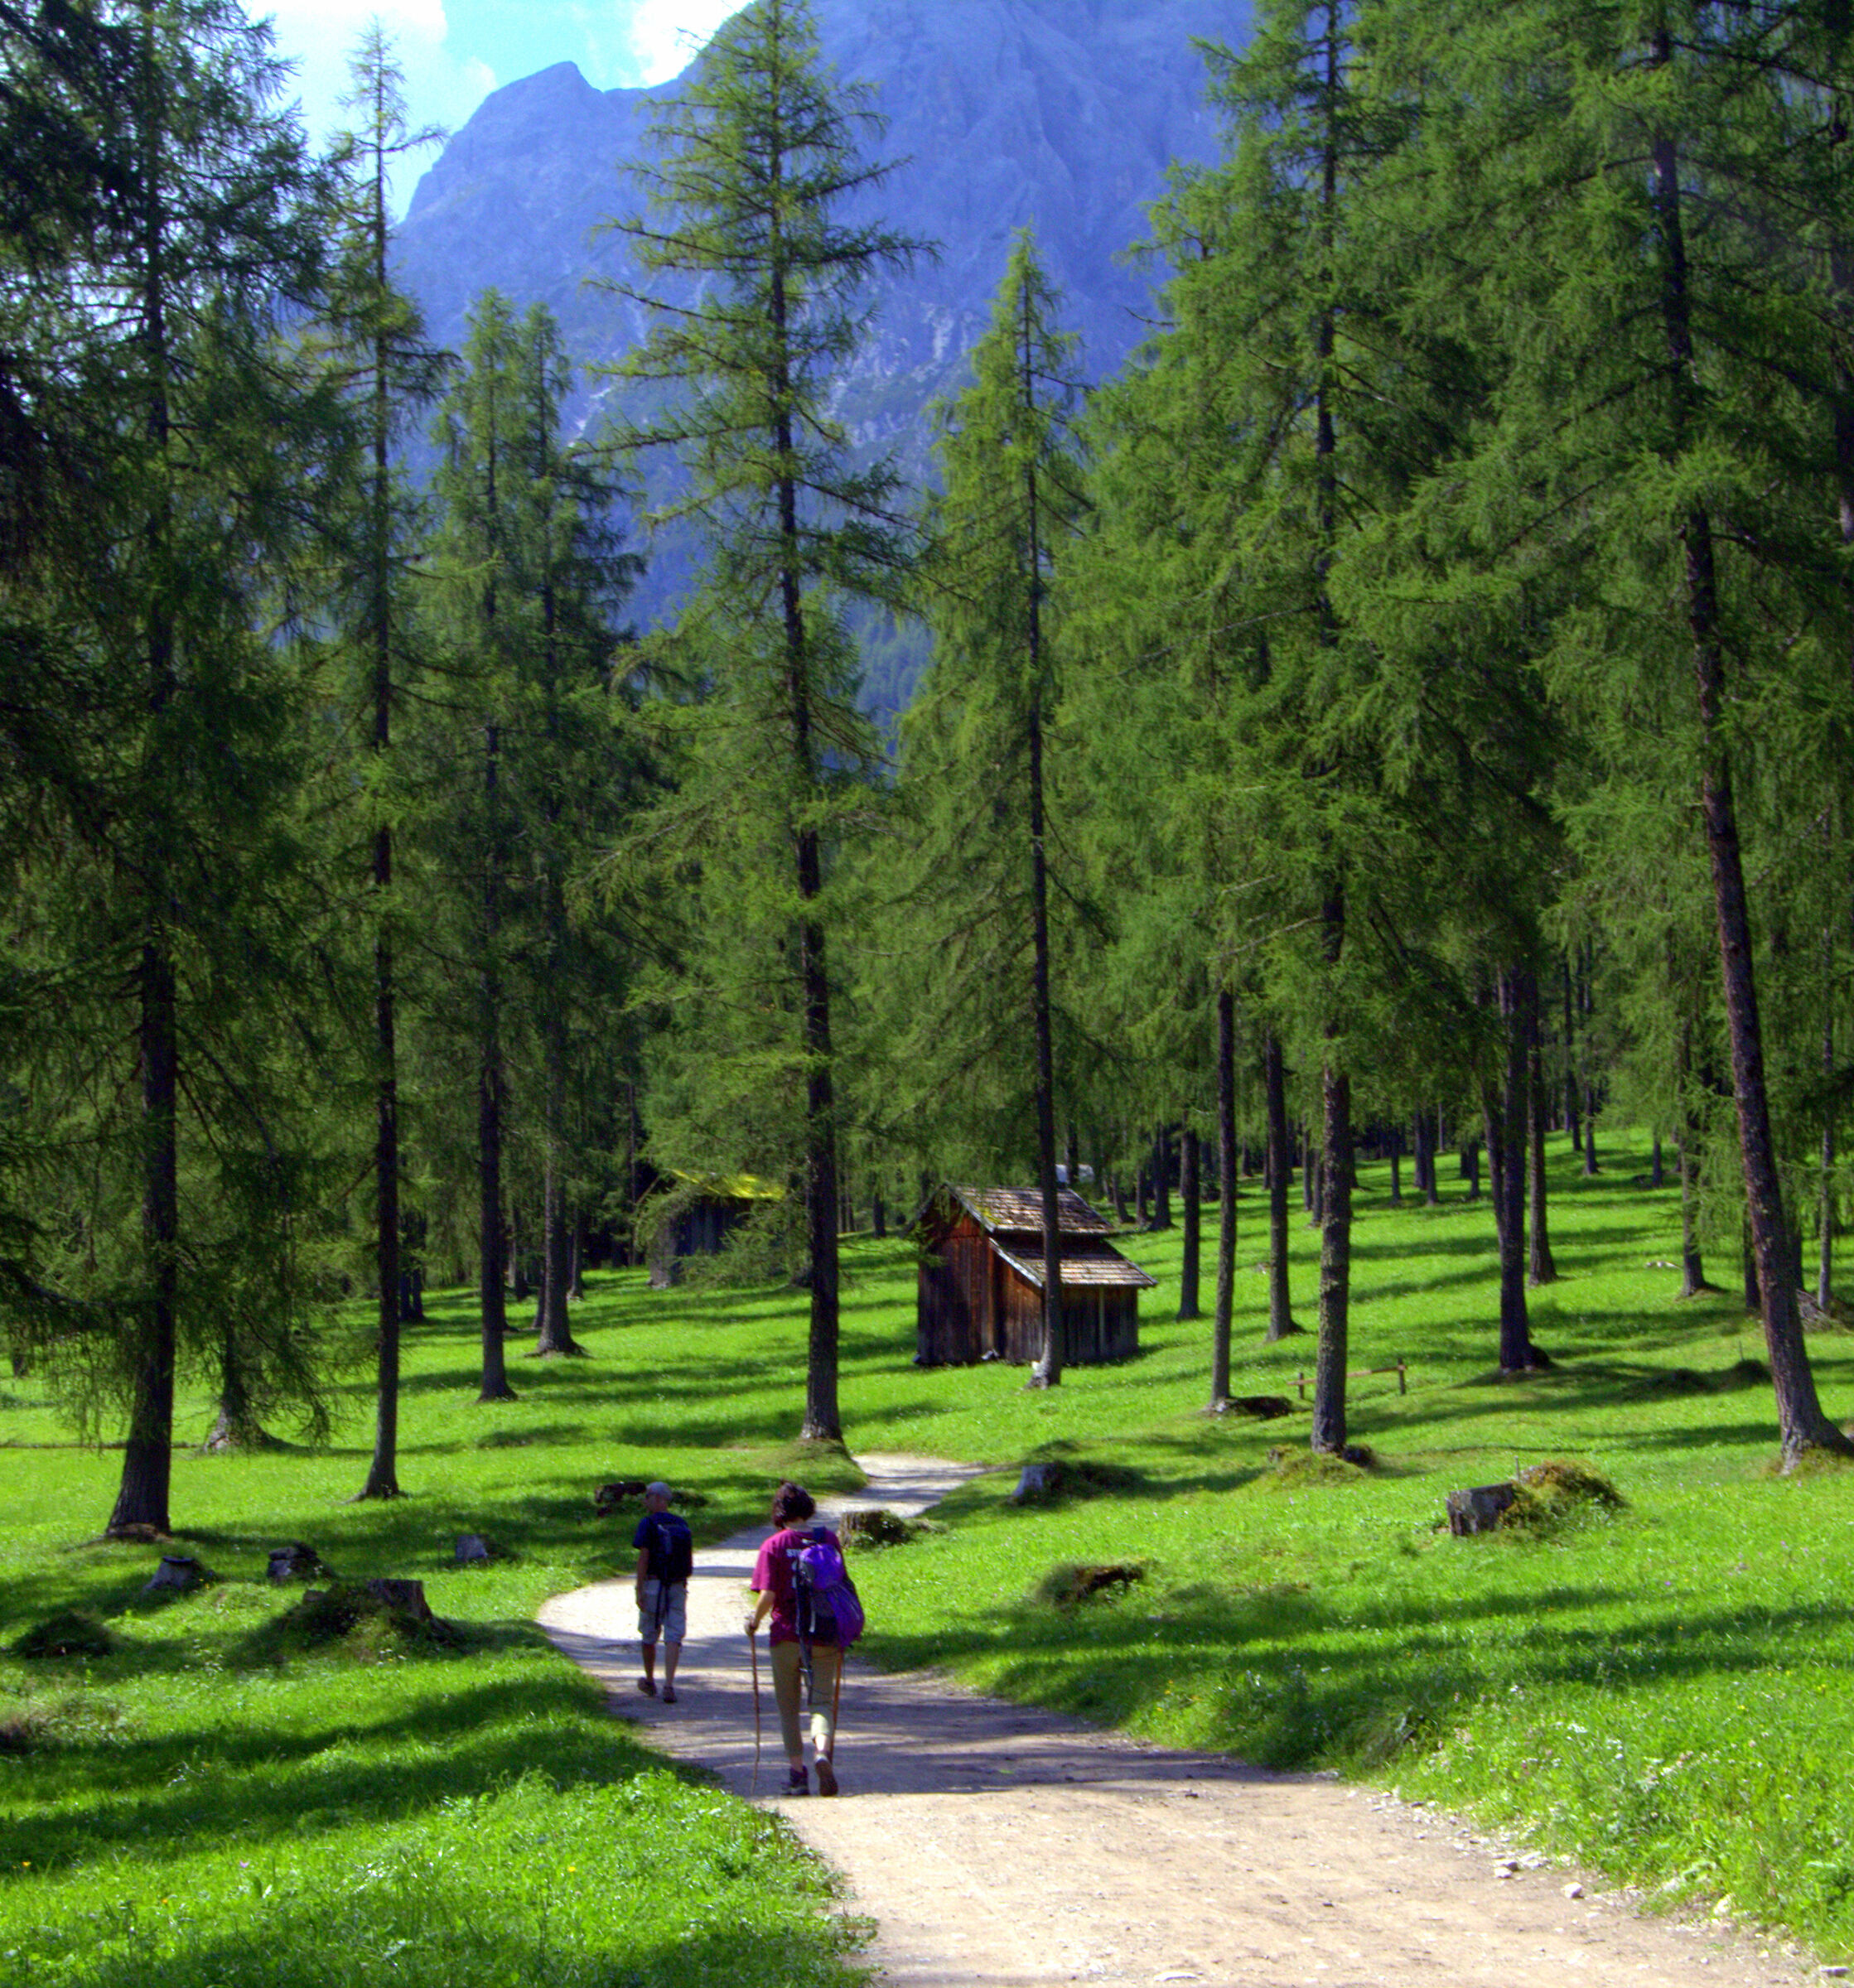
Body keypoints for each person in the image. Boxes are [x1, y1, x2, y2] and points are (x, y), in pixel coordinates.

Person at [746, 1481, 842, 1796]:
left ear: (779, 1511)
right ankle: (822, 1753)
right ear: (808, 1508)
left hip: (787, 1635)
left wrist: (753, 1621)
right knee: (822, 1703)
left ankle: (798, 1776)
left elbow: (769, 1595)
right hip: (825, 1635)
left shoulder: (774, 1545)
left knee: (788, 1709)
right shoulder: (828, 1540)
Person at [632, 1481, 692, 1703]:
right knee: (673, 1634)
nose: (645, 1500)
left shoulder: (647, 1524)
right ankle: (669, 1684)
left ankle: (649, 1680)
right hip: (678, 1584)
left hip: (654, 1584)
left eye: (647, 1496)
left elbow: (643, 1557)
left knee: (649, 1633)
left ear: (658, 1499)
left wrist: (639, 1589)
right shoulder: (681, 1523)